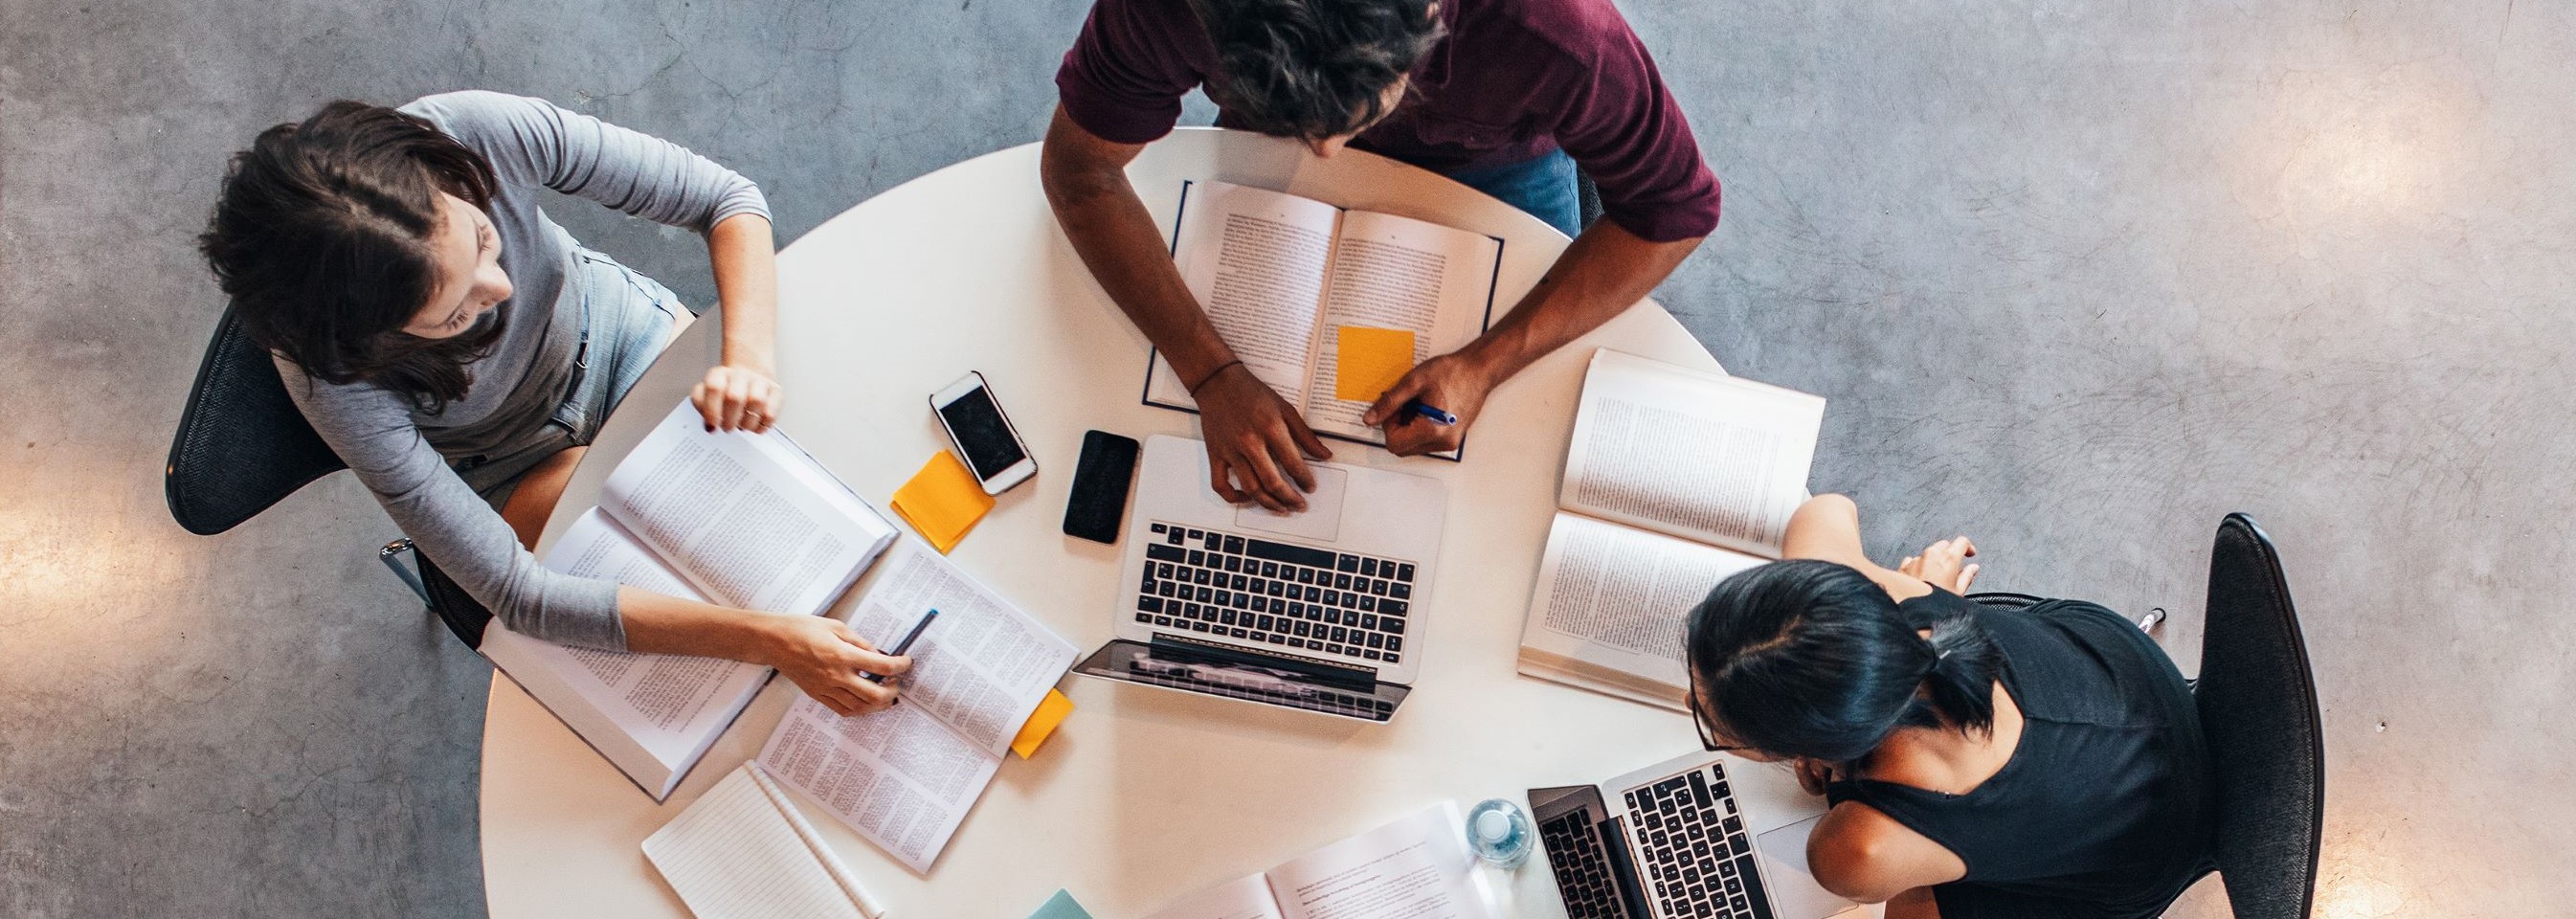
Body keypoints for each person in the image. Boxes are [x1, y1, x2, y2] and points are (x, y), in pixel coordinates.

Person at [195, 92, 907, 715]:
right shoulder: (333, 378)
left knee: (806, 491)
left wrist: (747, 357)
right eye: (454, 313)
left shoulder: (474, 129)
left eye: (482, 238)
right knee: (696, 597)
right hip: (506, 462)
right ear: (370, 341)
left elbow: (726, 199)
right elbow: (521, 594)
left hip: (623, 340)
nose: (500, 289)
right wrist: (767, 641)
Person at [1041, 0, 1721, 510]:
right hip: (1260, 149)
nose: (1327, 155)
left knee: (1509, 460)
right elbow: (1080, 174)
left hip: (1495, 165)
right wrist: (1211, 372)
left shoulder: (1555, 30)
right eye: (1304, 124)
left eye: (1354, 113)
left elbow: (1676, 210)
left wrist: (1487, 363)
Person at [1682, 496, 2215, 919]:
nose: (1689, 701)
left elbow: (1847, 850)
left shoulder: (1856, 852)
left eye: (1715, 727)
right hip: (2128, 675)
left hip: (2153, 847)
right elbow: (1826, 509)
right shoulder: (1878, 599)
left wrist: (1839, 769)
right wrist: (1932, 592)